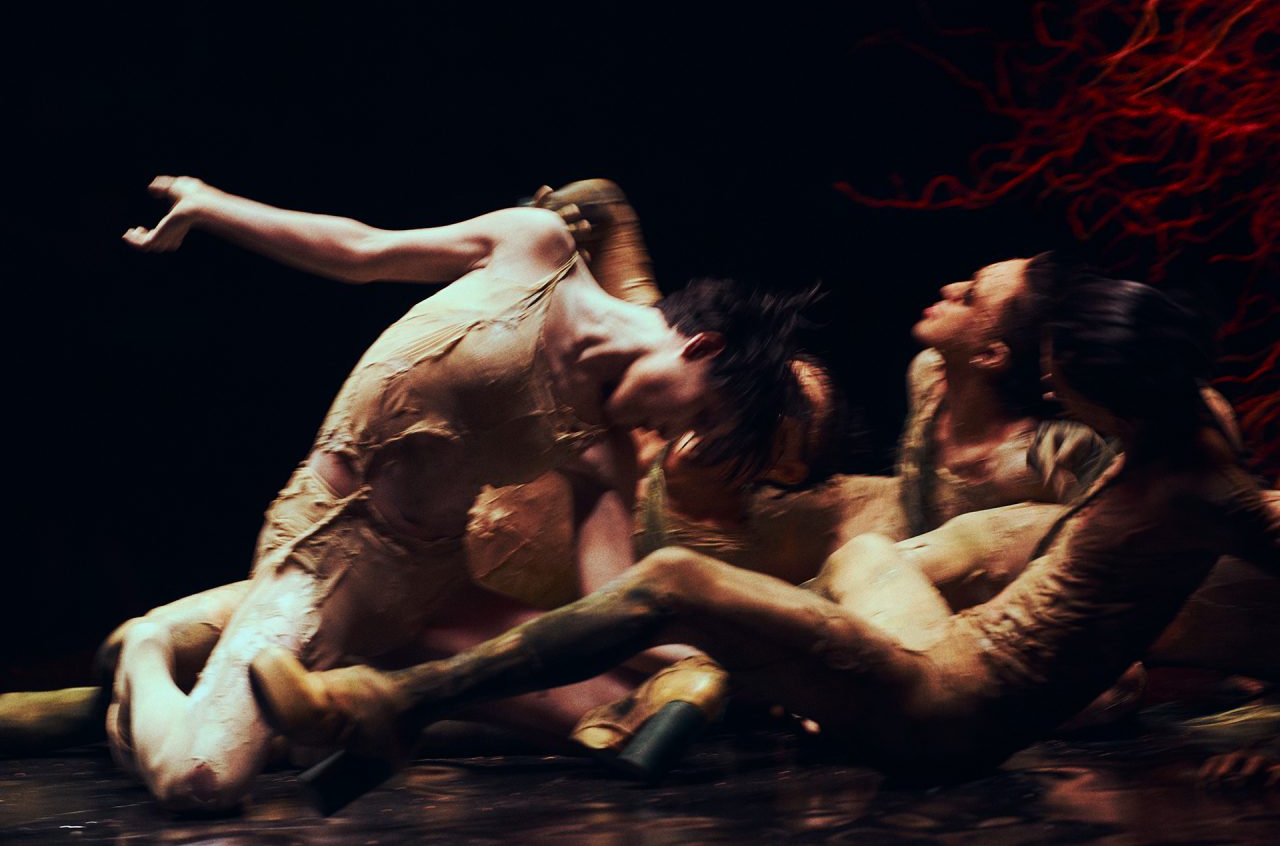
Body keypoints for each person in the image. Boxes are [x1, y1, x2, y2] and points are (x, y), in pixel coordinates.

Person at [250, 278, 1278, 814]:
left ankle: (389, 708)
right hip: (949, 649)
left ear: (1110, 387)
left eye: (1060, 377)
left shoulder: (1203, 486)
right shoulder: (1169, 421)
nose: (1047, 389)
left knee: (675, 578)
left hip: (949, 708)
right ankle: (712, 679)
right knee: (862, 562)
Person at [97, 175, 806, 811]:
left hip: (434, 594)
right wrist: (211, 207)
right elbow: (361, 249)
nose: (677, 435)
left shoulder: (604, 446)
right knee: (201, 781)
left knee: (627, 715)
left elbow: (613, 603)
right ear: (701, 347)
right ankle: (146, 653)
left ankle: (324, 693)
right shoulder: (536, 249)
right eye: (701, 414)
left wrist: (744, 664)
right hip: (325, 559)